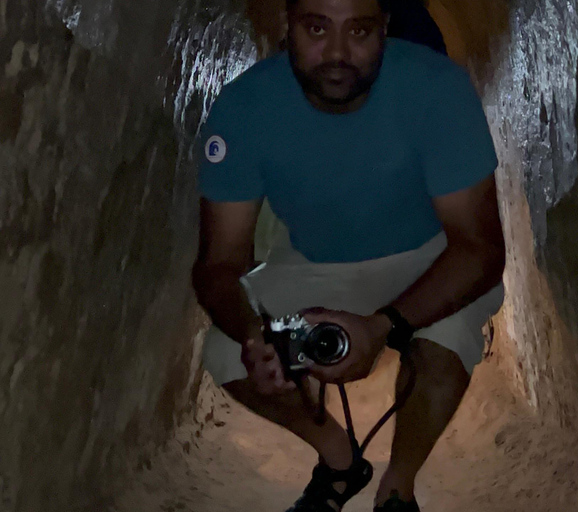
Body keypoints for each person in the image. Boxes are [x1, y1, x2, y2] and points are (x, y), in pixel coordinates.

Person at [192, 0, 505, 510]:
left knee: (444, 351)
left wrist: (381, 327)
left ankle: (398, 490)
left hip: (429, 255)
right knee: (227, 354)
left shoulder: (438, 89)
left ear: (384, 27)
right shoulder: (245, 106)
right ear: (286, 25)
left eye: (358, 30)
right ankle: (340, 462)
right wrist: (254, 336)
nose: (337, 52)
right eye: (316, 27)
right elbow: (220, 264)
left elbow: (480, 249)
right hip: (313, 260)